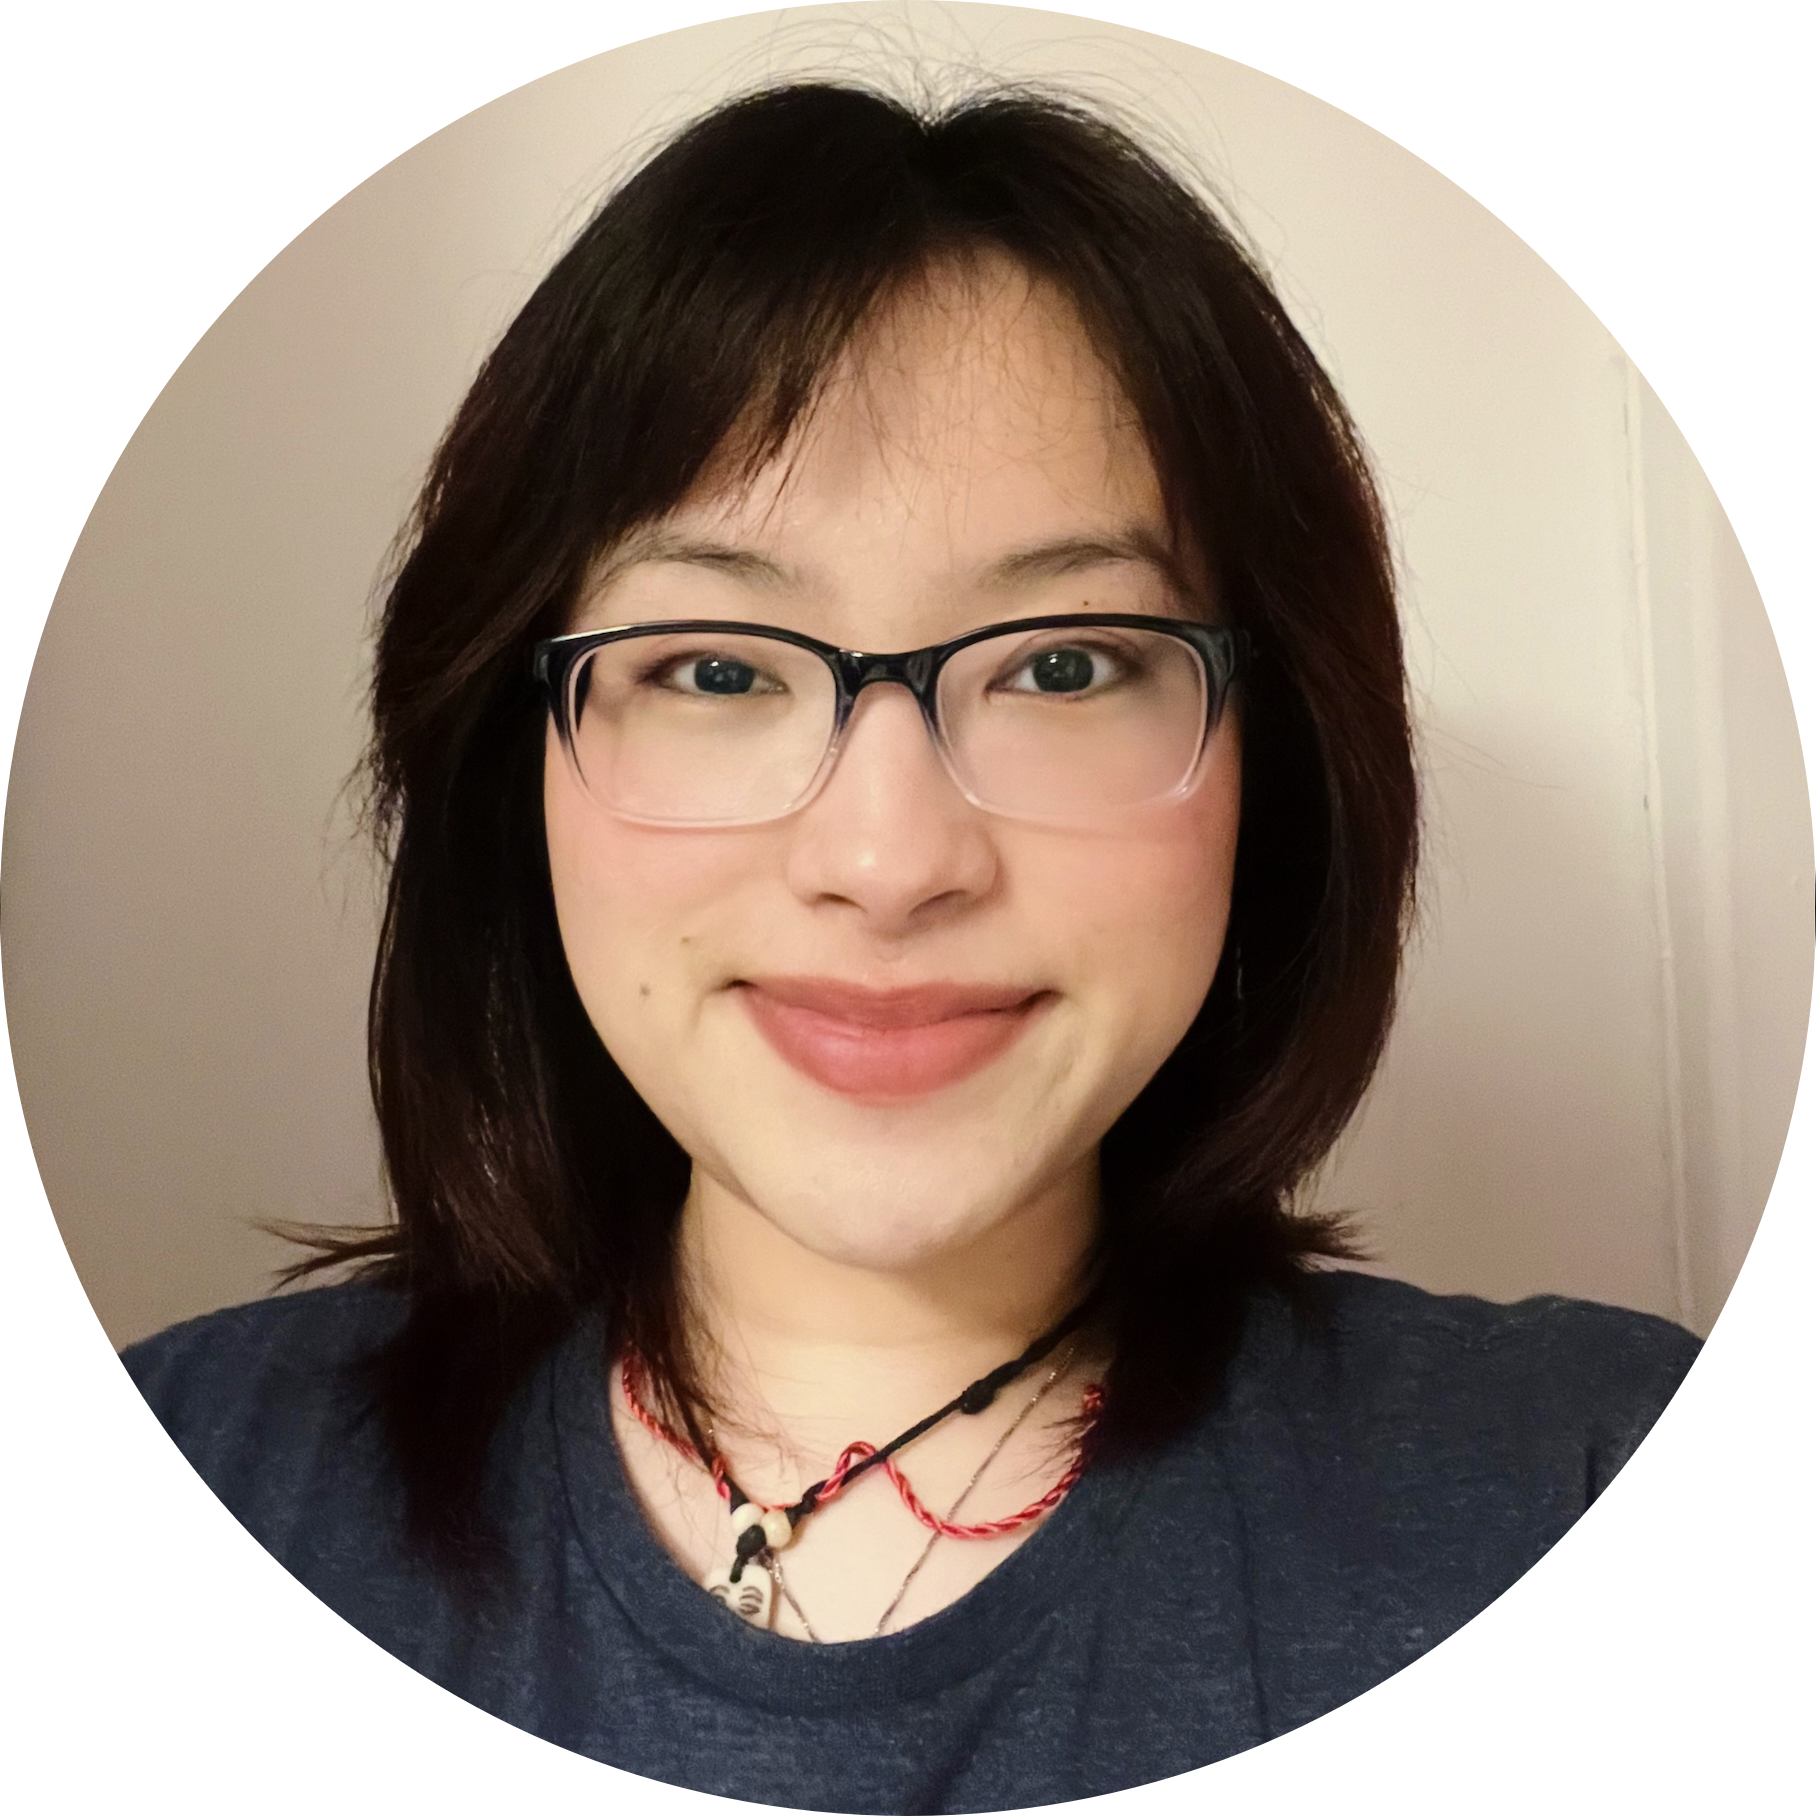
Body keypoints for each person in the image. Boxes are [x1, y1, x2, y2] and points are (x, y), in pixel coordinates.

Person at [122, 82, 1698, 1804]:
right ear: (519, 770)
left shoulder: (1570, 1469)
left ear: (1281, 762)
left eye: (1064, 665)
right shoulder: (218, 1458)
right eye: (717, 668)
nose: (887, 864)